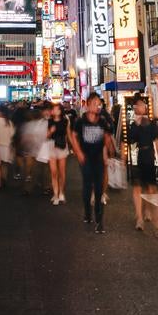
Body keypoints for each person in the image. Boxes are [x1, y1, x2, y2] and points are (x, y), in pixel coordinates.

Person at [67, 92, 116, 233]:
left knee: (99, 188)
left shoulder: (102, 120)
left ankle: (100, 221)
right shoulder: (80, 121)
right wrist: (79, 153)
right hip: (86, 158)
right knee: (87, 187)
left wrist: (108, 151)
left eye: (98, 104)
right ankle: (88, 212)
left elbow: (107, 136)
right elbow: (74, 138)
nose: (97, 106)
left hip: (99, 158)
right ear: (87, 105)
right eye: (94, 104)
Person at [127, 99, 158, 238]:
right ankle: (139, 217)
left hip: (149, 157)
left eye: (142, 105)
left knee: (151, 189)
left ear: (145, 108)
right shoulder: (133, 124)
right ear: (135, 108)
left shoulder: (152, 124)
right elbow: (131, 140)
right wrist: (136, 125)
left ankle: (152, 216)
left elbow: (156, 140)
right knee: (138, 187)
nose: (140, 107)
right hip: (137, 157)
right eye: (137, 105)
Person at [17, 106, 49, 196]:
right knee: (44, 169)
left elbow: (25, 138)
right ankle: (45, 187)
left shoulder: (28, 125)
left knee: (32, 169)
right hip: (42, 150)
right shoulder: (45, 123)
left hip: (32, 150)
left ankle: (28, 188)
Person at [47, 101, 70, 205]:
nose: (54, 110)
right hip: (52, 147)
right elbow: (46, 136)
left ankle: (61, 192)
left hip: (62, 147)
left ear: (60, 111)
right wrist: (50, 131)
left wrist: (72, 146)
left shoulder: (65, 121)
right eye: (53, 109)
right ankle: (55, 194)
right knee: (53, 172)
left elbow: (68, 135)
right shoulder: (49, 121)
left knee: (62, 172)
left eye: (56, 109)